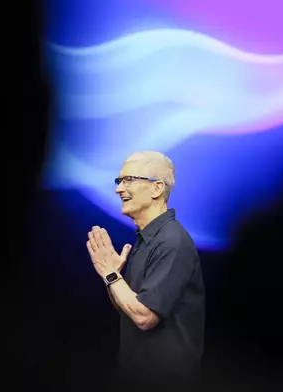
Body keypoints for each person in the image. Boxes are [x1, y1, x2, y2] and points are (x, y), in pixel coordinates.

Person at [85, 151, 205, 390]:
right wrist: (113, 279)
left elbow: (145, 317)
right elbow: (128, 309)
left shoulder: (171, 242)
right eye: (119, 181)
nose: (119, 189)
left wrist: (111, 275)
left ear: (157, 189)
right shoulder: (147, 239)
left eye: (129, 180)